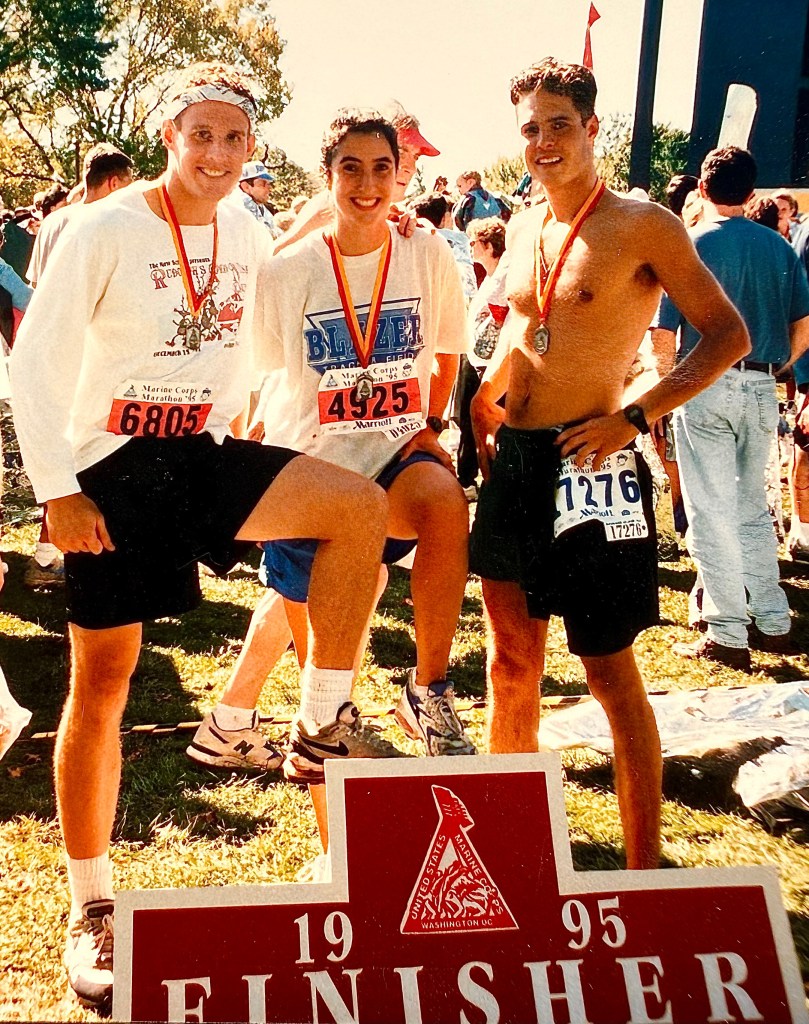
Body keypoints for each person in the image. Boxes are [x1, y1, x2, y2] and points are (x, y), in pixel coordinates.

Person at [9, 62, 389, 1011]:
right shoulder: (103, 227)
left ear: (252, 146)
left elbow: (274, 314)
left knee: (356, 509)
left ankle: (321, 721)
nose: (217, 154)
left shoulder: (249, 227)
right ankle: (92, 905)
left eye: (234, 138)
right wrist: (57, 491)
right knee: (105, 681)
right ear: (170, 136)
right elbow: (34, 367)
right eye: (202, 134)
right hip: (111, 470)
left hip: (203, 454)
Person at [469, 58, 749, 870]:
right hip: (517, 461)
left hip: (591, 463)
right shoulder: (525, 225)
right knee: (509, 662)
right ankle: (507, 847)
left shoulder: (642, 224)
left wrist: (634, 416)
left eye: (559, 124)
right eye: (530, 129)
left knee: (607, 672)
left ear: (592, 128)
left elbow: (725, 335)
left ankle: (642, 867)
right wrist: (488, 395)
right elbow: (527, 330)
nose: (543, 142)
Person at [187, 108, 473, 778]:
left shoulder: (425, 249)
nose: (368, 185)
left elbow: (447, 350)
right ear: (327, 176)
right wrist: (247, 453)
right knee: (324, 677)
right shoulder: (289, 271)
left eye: (382, 168)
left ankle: (428, 688)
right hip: (313, 467)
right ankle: (274, 737)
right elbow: (252, 375)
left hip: (393, 454)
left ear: (401, 176)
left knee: (445, 503)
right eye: (351, 168)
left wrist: (429, 422)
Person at [655, 147, 809, 666]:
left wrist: (667, 390)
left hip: (703, 382)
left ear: (701, 189)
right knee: (751, 507)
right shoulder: (779, 246)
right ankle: (772, 617)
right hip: (761, 383)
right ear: (751, 192)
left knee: (709, 509)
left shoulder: (691, 244)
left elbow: (663, 333)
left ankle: (726, 630)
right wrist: (777, 366)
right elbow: (804, 324)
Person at [24, 143, 134, 589]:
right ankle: (56, 555)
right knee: (80, 460)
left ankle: (48, 553)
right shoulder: (106, 221)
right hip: (88, 356)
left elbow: (35, 290)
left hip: (53, 349)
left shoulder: (54, 221)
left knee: (57, 453)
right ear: (113, 182)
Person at [233, 159, 278, 235]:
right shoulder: (241, 205)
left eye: (268, 184)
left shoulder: (260, 206)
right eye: (262, 184)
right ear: (246, 187)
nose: (268, 188)